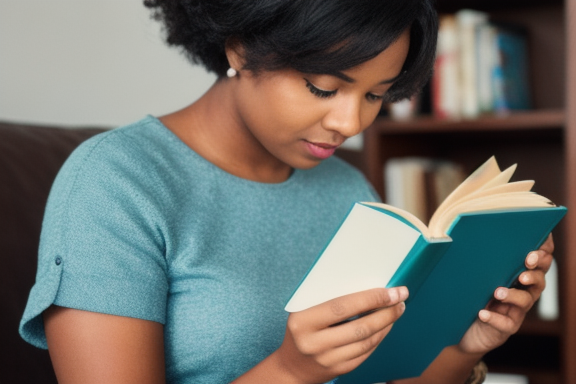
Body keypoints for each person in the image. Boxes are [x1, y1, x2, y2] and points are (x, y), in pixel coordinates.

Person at [19, 1, 555, 383]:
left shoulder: (347, 187)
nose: (350, 122)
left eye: (377, 95)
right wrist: (291, 371)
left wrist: (465, 347)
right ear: (241, 46)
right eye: (324, 86)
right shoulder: (119, 182)